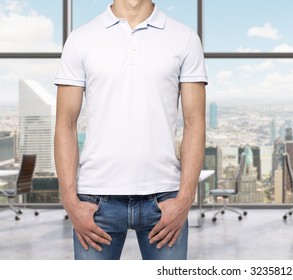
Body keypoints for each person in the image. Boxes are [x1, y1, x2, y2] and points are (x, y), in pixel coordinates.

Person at [54, 0, 207, 260]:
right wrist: (70, 200)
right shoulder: (81, 39)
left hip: (165, 199)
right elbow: (65, 123)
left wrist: (185, 198)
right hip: (95, 200)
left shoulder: (185, 38)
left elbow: (195, 123)